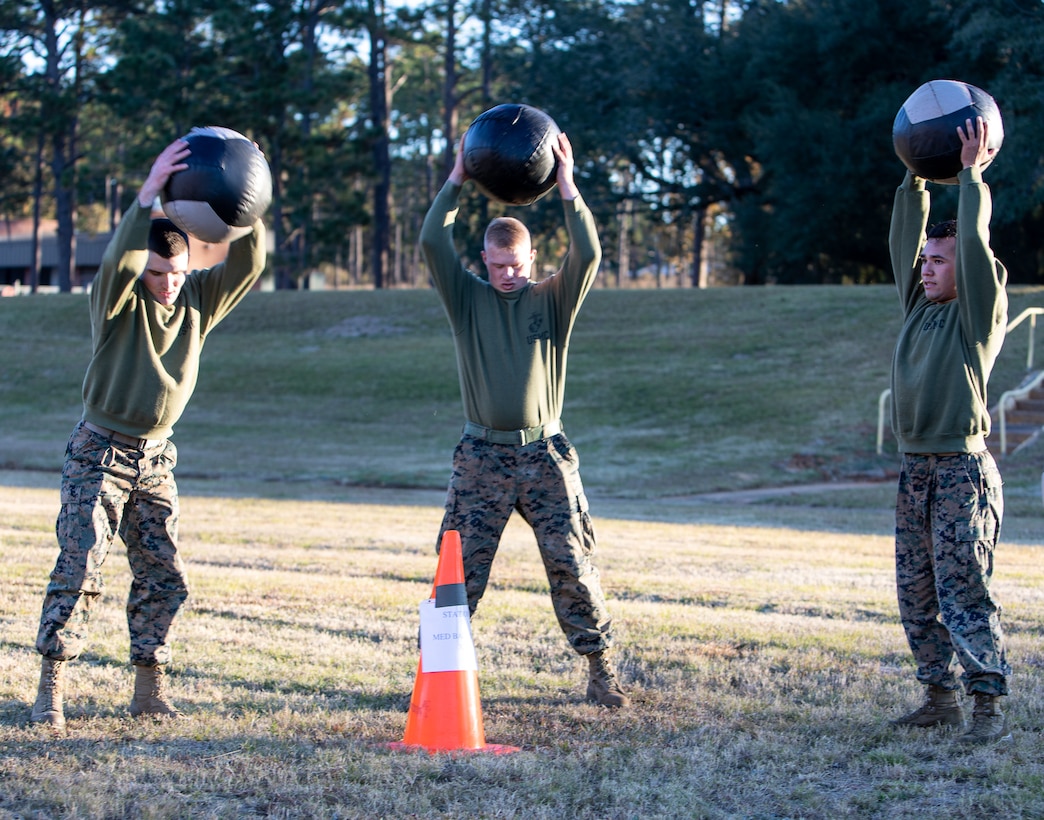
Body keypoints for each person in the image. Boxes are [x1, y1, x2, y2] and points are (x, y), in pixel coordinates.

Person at [30, 138, 268, 729]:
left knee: (164, 576)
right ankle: (51, 689)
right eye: (159, 273)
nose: (168, 284)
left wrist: (249, 201)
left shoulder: (197, 302)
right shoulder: (116, 301)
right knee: (79, 568)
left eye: (178, 274)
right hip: (100, 453)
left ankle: (148, 688)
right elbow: (117, 262)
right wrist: (146, 194)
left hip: (157, 459)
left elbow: (248, 264)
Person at [419, 130, 628, 708]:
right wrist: (457, 177)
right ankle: (436, 679)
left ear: (531, 258)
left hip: (546, 454)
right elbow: (432, 241)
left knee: (573, 565)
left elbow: (587, 253)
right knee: (457, 573)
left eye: (516, 265)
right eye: (498, 265)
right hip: (481, 457)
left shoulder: (552, 300)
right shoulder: (467, 299)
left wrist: (567, 185)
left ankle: (601, 672)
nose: (507, 275)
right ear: (483, 260)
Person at [888, 116, 1011, 744]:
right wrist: (916, 177)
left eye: (940, 261)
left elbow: (975, 245)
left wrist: (969, 176)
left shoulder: (976, 317)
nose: (928, 269)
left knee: (965, 588)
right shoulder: (918, 308)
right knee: (916, 591)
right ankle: (938, 697)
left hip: (962, 471)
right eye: (927, 261)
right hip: (915, 470)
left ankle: (985, 704)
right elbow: (904, 240)